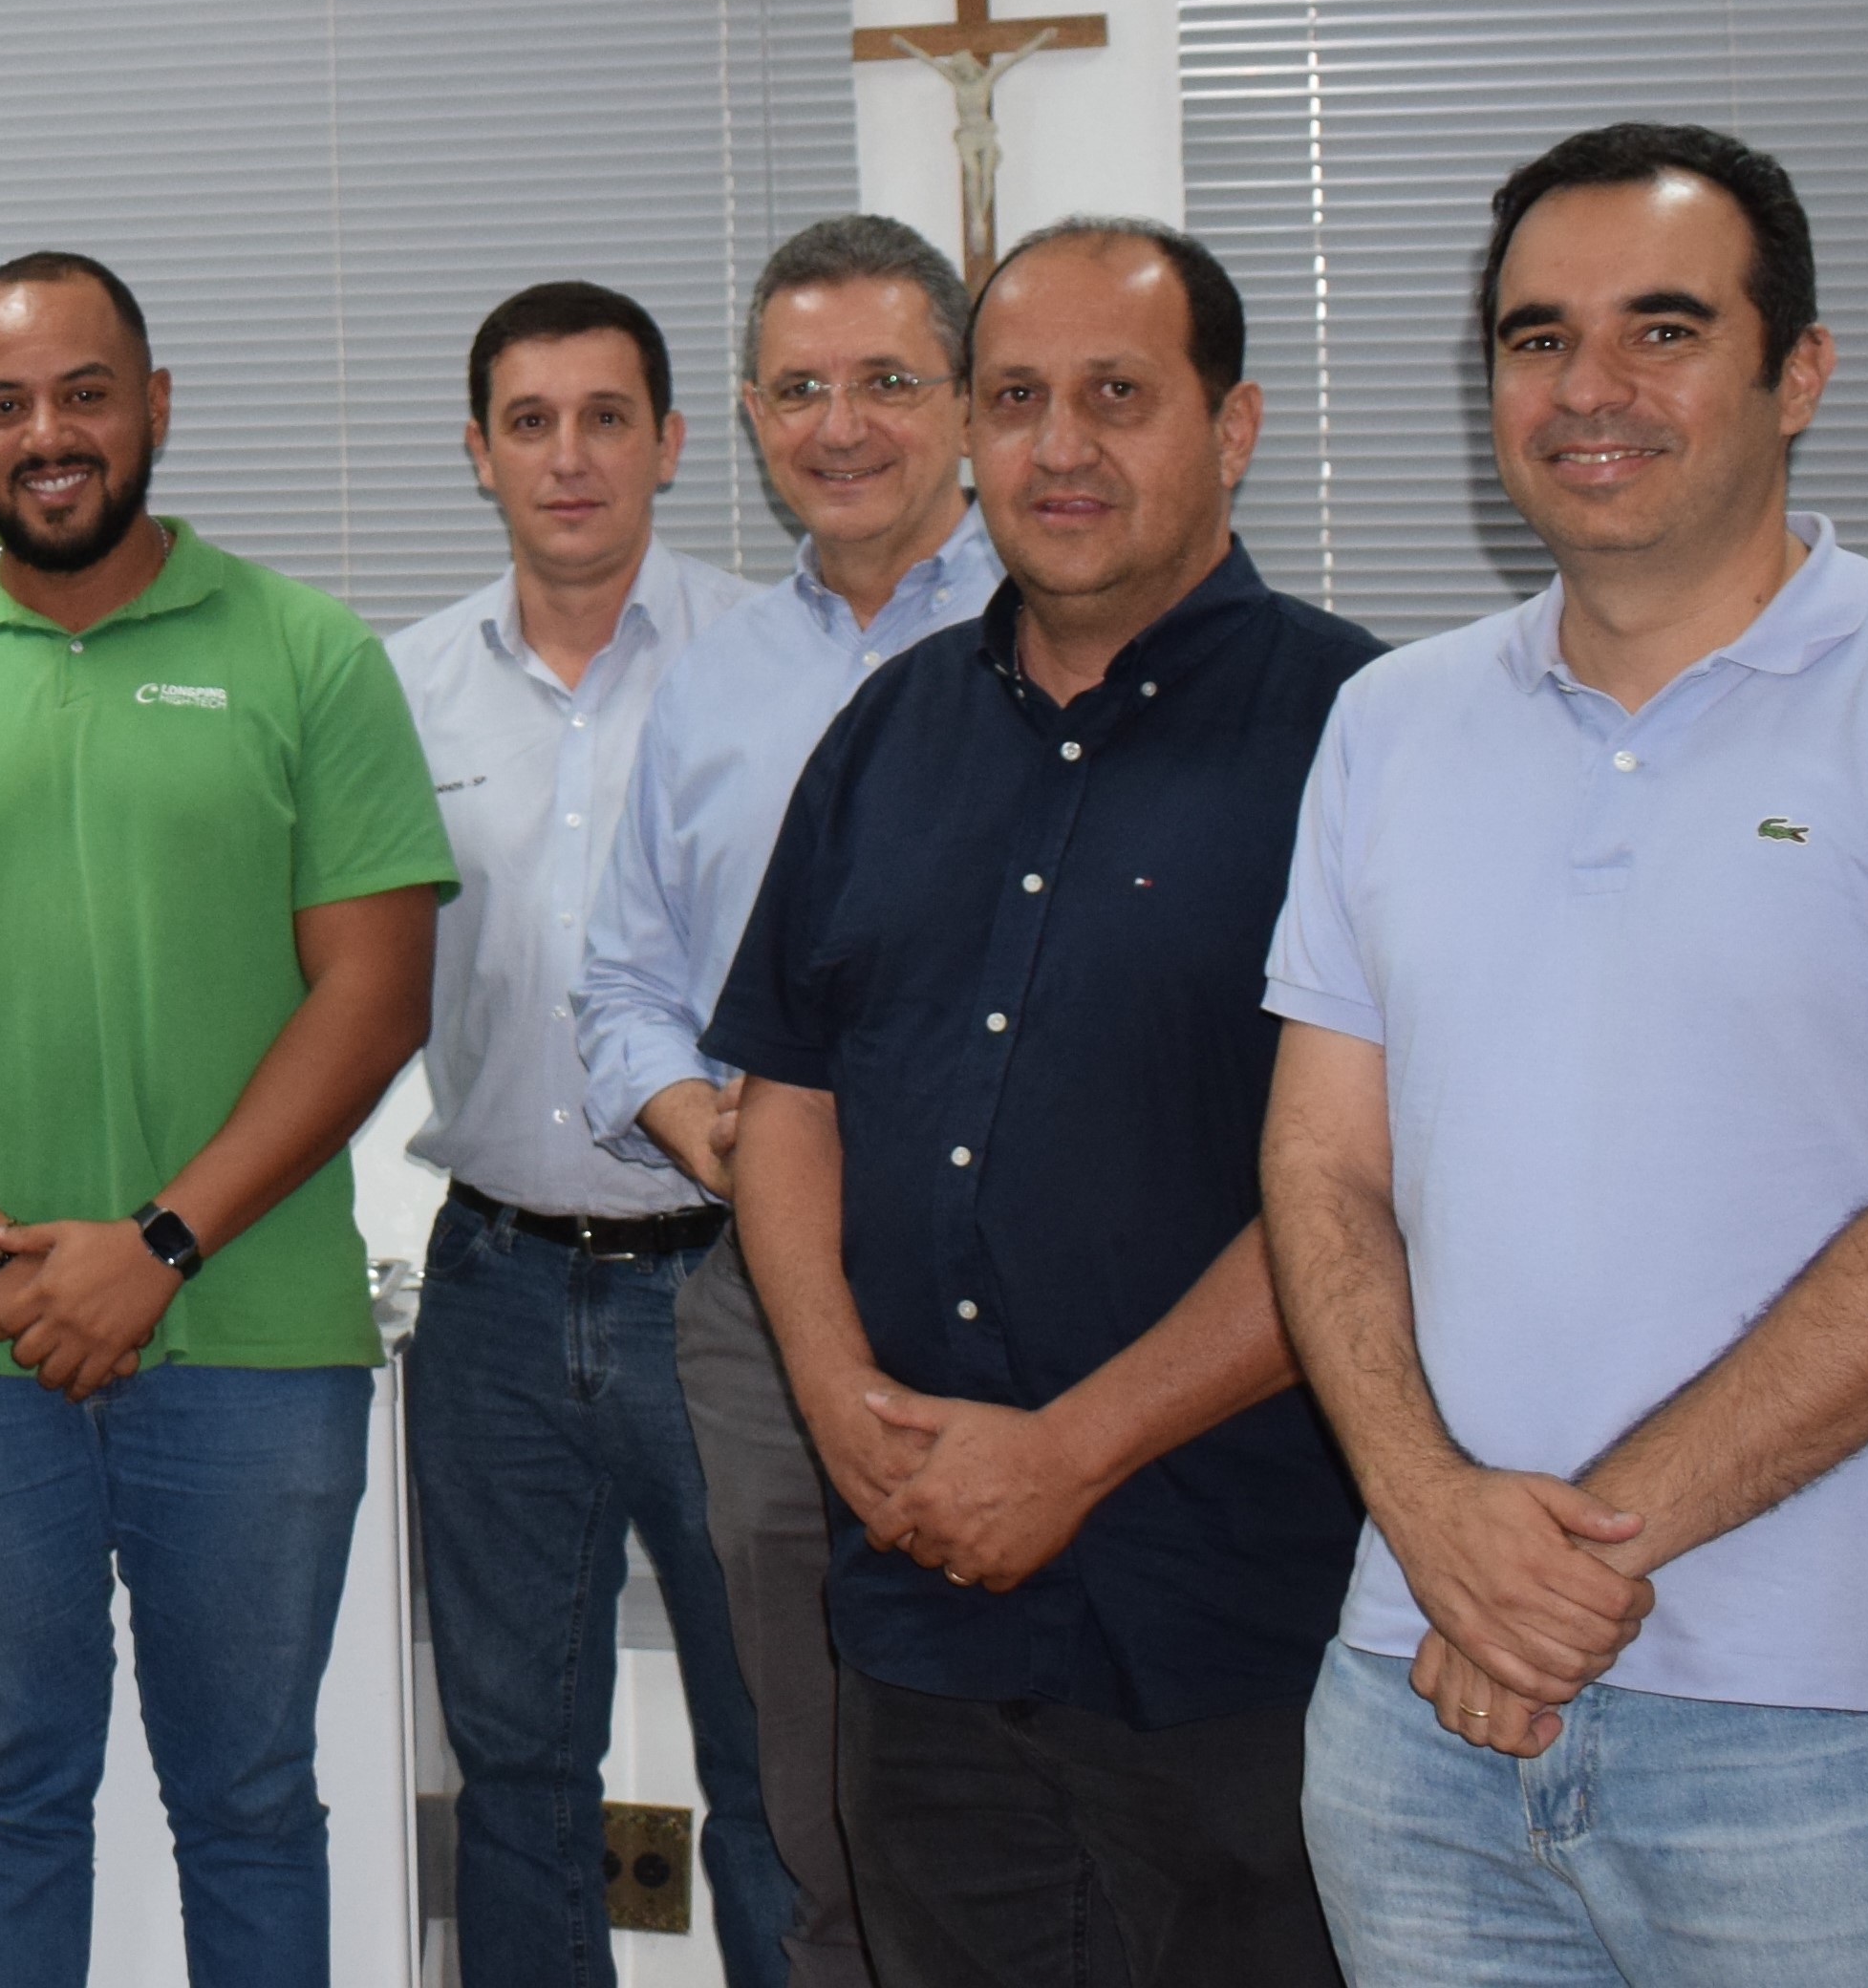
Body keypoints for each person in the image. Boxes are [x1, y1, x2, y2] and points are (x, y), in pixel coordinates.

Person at [1265, 122, 1868, 1984]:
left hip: (1824, 1743)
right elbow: (1320, 1168)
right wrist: (1433, 1523)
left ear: (1794, 371)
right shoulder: (1388, 723)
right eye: (1535, 338)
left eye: (1660, 329)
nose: (1588, 386)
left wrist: (1549, 1573)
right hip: (1412, 1716)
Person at [0, 251, 444, 1987]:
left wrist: (159, 1245)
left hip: (256, 1344)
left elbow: (373, 996)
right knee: (6, 1789)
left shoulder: (310, 656)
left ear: (155, 408)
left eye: (84, 393)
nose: (46, 434)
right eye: (5, 405)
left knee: (253, 1799)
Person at [702, 217, 1381, 1987]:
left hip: (1233, 1621)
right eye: (1015, 399)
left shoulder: (1372, 735)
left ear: (1233, 427)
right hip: (921, 1605)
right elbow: (789, 1092)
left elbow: (1381, 1183)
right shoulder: (887, 733)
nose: (1059, 447)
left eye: (1117, 396)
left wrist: (1070, 1454)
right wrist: (837, 1398)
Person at [578, 211, 999, 1988]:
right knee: (807, 1809)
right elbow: (624, 987)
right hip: (763, 1305)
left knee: (1030, 1800)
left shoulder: (1061, 628)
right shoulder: (718, 680)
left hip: (1027, 1304)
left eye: (888, 381)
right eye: (801, 390)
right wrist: (709, 1133)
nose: (843, 427)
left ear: (967, 401)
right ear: (750, 420)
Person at [384, 280, 786, 1984]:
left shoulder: (772, 668)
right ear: (479, 453)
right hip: (492, 1289)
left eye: (606, 418)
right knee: (515, 1776)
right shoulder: (400, 690)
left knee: (775, 1770)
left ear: (671, 443)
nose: (570, 457)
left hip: (730, 1286)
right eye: (530, 423)